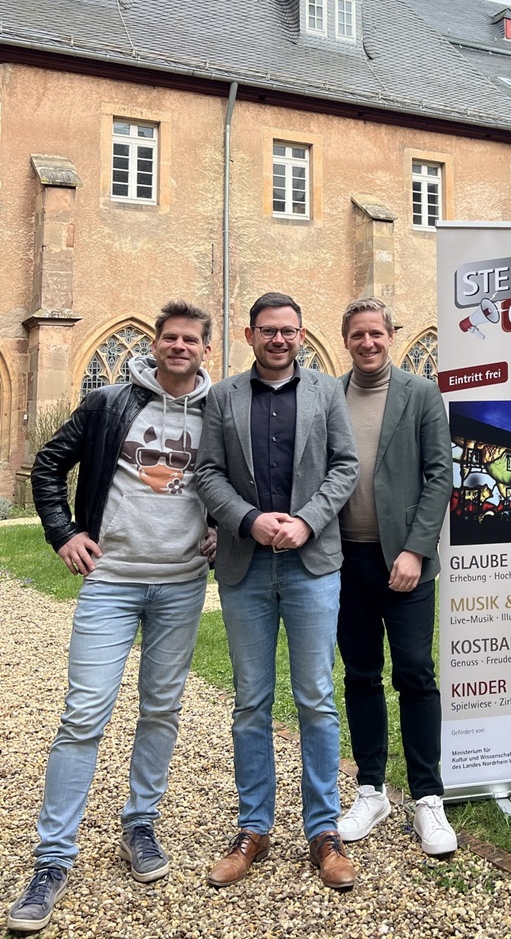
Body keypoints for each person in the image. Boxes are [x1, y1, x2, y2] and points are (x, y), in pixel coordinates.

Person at [8, 302, 216, 935]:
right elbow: (47, 464)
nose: (178, 347)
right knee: (83, 714)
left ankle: (140, 826)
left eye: (190, 339)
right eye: (169, 338)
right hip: (111, 582)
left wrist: (219, 527)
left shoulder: (219, 412)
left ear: (206, 348)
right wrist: (63, 532)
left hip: (181, 585)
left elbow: (242, 483)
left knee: (160, 709)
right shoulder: (110, 404)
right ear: (155, 344)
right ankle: (51, 861)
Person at [194, 292, 359, 890]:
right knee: (251, 702)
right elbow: (206, 472)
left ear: (301, 334)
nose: (280, 339)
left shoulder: (325, 392)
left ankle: (324, 832)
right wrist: (247, 519)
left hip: (311, 563)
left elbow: (345, 465)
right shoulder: (222, 397)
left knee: (315, 698)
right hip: (245, 565)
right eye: (269, 331)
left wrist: (307, 519)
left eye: (289, 330)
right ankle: (253, 828)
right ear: (249, 334)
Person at [336, 298, 456, 855]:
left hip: (405, 562)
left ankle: (427, 798)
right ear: (346, 341)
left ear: (390, 336)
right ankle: (371, 789)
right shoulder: (329, 396)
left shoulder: (421, 394)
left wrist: (414, 550)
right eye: (357, 335)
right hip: (343, 561)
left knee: (414, 673)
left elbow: (439, 477)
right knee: (360, 674)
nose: (368, 343)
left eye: (376, 333)